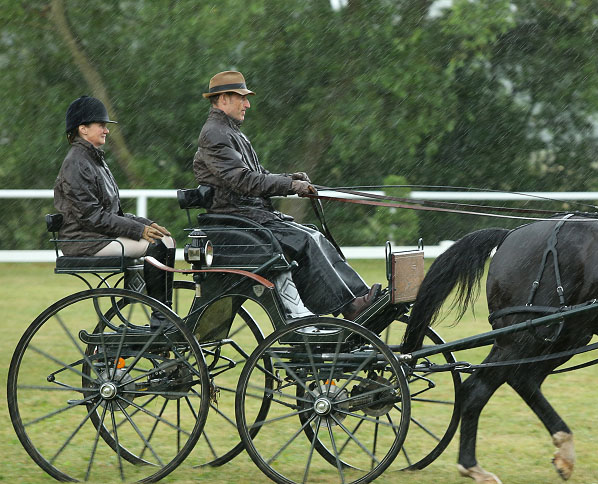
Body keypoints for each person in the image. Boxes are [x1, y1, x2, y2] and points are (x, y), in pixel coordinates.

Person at [192, 70, 380, 320]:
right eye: (242, 98)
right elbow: (242, 180)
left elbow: (255, 174)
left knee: (313, 234)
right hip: (237, 218)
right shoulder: (215, 133)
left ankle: (357, 298)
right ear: (224, 99)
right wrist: (289, 186)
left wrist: (291, 178)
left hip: (251, 215)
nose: (247, 104)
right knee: (305, 240)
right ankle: (350, 307)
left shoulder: (230, 131)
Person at [54, 96, 176, 324]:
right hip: (85, 241)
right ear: (83, 129)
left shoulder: (94, 160)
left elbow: (114, 213)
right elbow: (91, 217)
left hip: (99, 235)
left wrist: (145, 224)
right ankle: (161, 316)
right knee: (157, 244)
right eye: (101, 125)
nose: (106, 130)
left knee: (166, 240)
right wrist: (138, 231)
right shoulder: (76, 163)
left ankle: (163, 310)